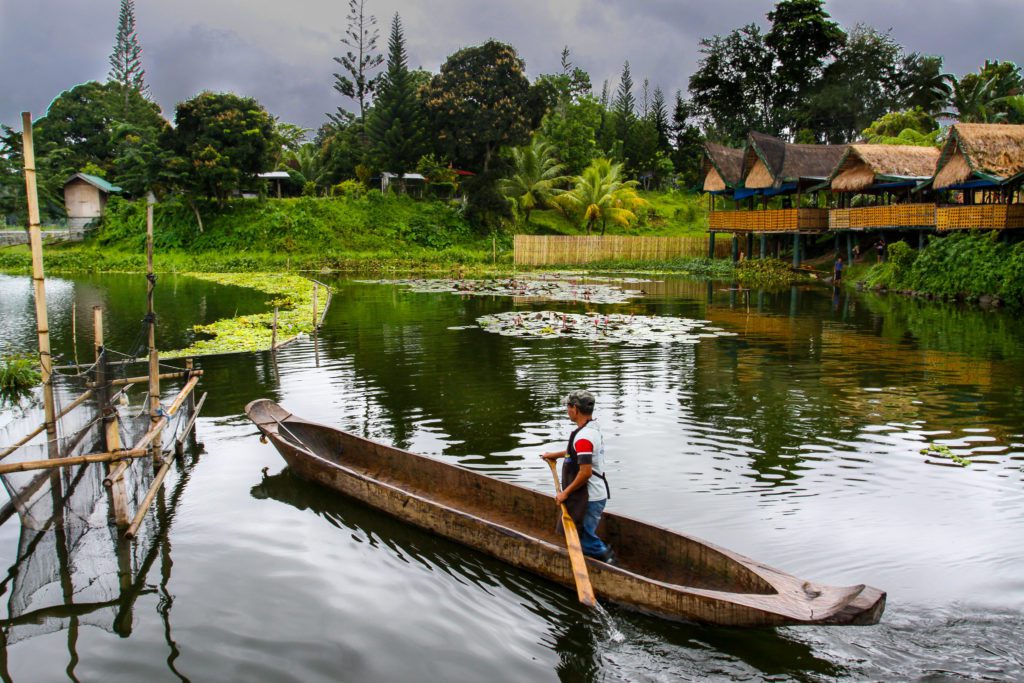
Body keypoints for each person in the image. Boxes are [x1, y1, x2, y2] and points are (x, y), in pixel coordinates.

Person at [541, 390, 613, 563]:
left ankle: (607, 561)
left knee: (584, 540)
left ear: (575, 409)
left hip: (588, 497)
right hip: (591, 495)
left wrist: (565, 493)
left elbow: (585, 472)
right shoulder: (591, 428)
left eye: (568, 406)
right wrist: (554, 455)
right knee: (580, 534)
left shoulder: (584, 437)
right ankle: (599, 557)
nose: (567, 409)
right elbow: (575, 453)